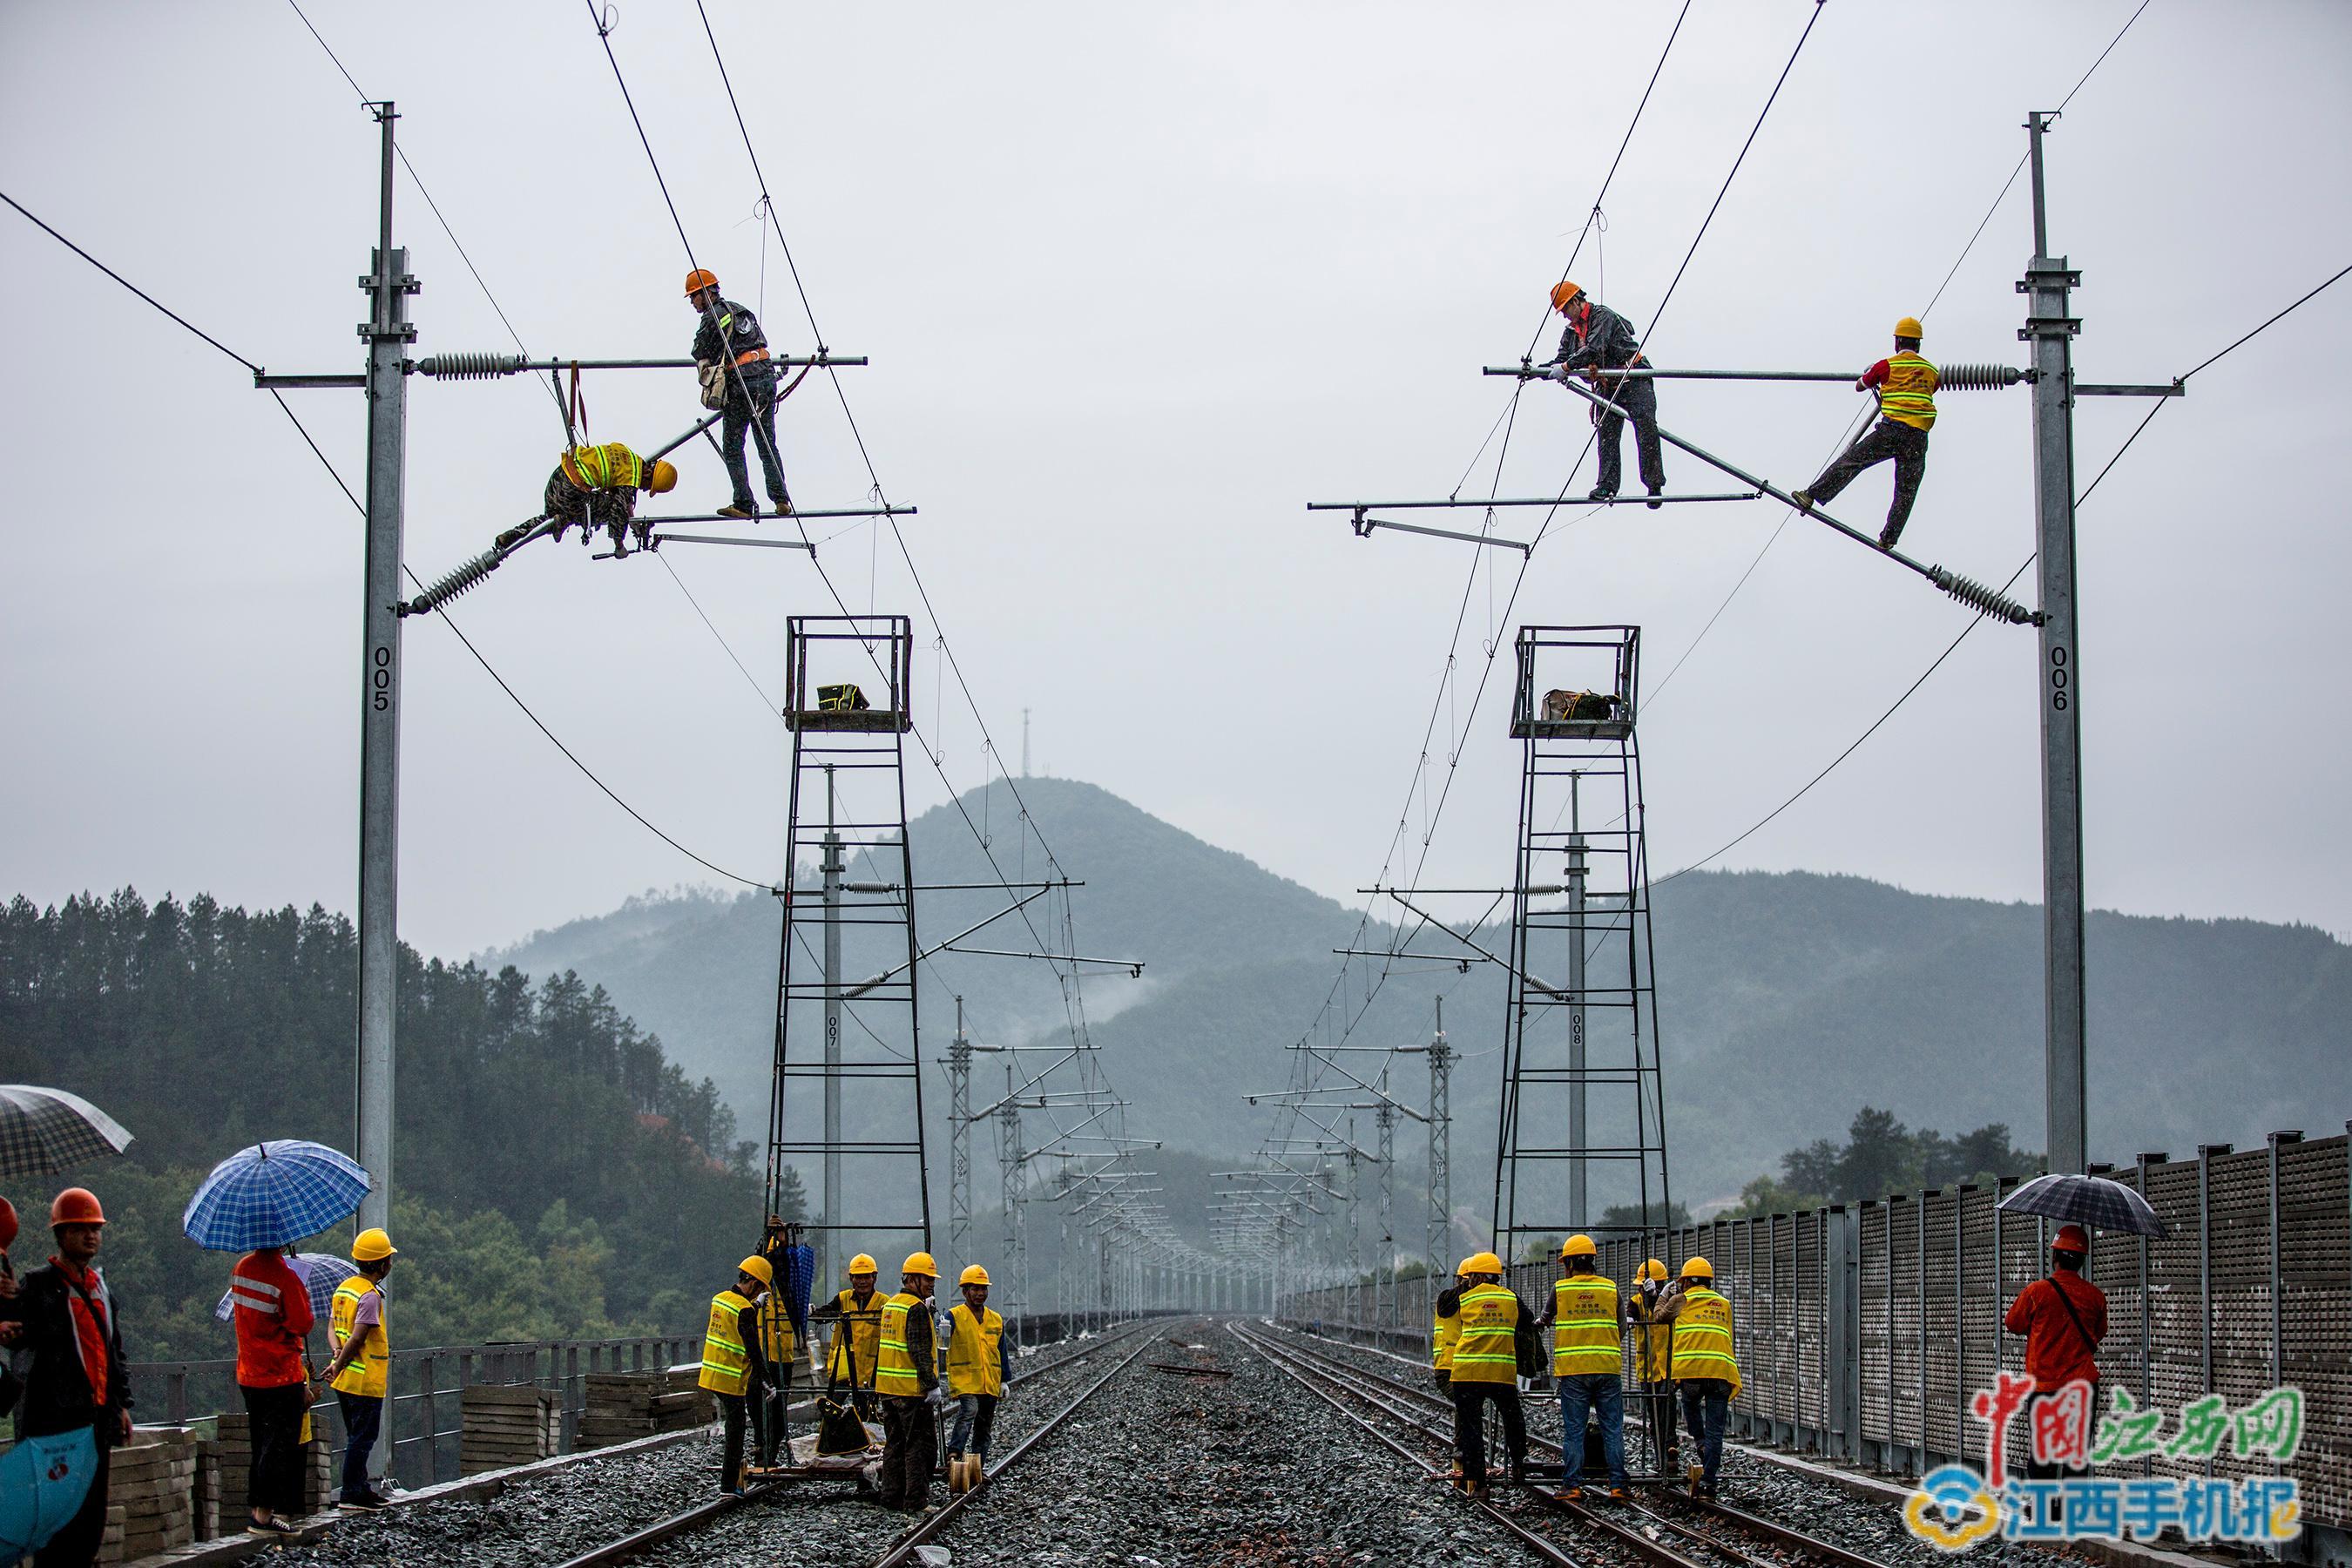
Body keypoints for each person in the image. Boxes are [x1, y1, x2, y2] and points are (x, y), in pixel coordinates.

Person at [3, 1189, 134, 1568]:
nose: (90, 1236)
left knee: (92, 1512)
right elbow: (18, 1337)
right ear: (61, 1236)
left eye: (95, 1229)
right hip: (55, 1424)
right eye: (80, 1229)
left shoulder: (100, 1288)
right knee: (58, 1518)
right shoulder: (38, 1286)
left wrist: (121, 1404)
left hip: (95, 1420)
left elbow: (114, 1353)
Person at [1792, 316, 1938, 551]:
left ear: (1897, 342)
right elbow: (1931, 387)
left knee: (1853, 461)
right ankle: (1889, 537)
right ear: (1918, 344)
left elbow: (1861, 385)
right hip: (1918, 437)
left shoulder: (1886, 366)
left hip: (1893, 430)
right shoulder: (1931, 371)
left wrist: (1869, 376)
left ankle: (1813, 494)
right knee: (1906, 490)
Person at [1544, 280, 1666, 507]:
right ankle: (1607, 486)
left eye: (1565, 310)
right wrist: (1540, 371)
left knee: (1645, 426)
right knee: (1607, 434)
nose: (1564, 316)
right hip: (1607, 384)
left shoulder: (1603, 316)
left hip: (1634, 378)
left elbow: (1595, 348)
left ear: (1576, 302)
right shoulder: (1571, 332)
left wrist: (1567, 368)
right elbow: (1561, 359)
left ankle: (1654, 484)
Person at [685, 268, 792, 519]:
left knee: (733, 446)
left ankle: (744, 503)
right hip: (765, 378)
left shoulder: (714, 316)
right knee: (766, 443)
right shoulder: (741, 310)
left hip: (742, 383)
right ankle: (781, 498)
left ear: (706, 293)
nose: (692, 303)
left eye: (693, 297)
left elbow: (700, 348)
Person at [2004, 1223, 2106, 1483]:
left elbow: (2013, 1324)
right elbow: (2099, 1332)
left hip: (2046, 1387)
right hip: (2083, 1386)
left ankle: (2044, 1514)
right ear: (2082, 1261)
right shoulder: (2095, 1296)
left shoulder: (2037, 1292)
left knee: (2043, 1456)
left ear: (2055, 1257)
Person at [228, 1241, 314, 1536]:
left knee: (261, 1442)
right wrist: (299, 1288)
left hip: (249, 1373)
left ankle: (258, 1511)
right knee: (279, 1446)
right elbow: (302, 1324)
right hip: (280, 1375)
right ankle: (264, 1516)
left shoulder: (242, 1268)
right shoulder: (284, 1276)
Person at [319, 1228, 399, 1511]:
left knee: (357, 1435)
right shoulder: (370, 1296)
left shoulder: (344, 1289)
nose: (390, 1263)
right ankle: (353, 1493)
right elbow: (359, 1336)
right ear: (380, 1264)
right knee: (363, 1437)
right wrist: (339, 1362)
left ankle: (361, 1486)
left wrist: (335, 1354)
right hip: (365, 1379)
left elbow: (332, 1327)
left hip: (346, 1380)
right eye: (388, 1259)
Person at [1547, 1234, 1629, 1500]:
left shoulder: (1561, 1289)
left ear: (1570, 1263)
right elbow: (1622, 1328)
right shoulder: (1610, 1288)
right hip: (1608, 1368)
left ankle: (1572, 1485)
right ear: (1592, 1261)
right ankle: (1618, 1486)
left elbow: (1544, 1319)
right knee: (1612, 1428)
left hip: (1573, 1371)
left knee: (1574, 1430)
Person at [1447, 1251, 1531, 1499]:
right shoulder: (1511, 1298)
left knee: (1472, 1429)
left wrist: (1463, 1286)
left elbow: (1443, 1306)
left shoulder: (1463, 1297)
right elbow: (1526, 1320)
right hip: (1501, 1373)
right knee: (1513, 1419)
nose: (1468, 1279)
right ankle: (1518, 1464)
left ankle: (1480, 1485)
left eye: (1471, 1275)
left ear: (1478, 1276)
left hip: (1468, 1373)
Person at [696, 1255, 773, 1496]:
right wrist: (767, 1381)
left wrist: (756, 1306)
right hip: (730, 1378)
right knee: (736, 1431)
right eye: (759, 1289)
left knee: (734, 1425)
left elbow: (738, 1319)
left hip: (711, 1373)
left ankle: (730, 1483)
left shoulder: (719, 1299)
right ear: (755, 1285)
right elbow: (753, 1349)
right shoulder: (744, 1309)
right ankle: (728, 1486)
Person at [873, 1252, 943, 1512]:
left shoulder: (891, 1305)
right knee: (919, 1447)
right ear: (912, 1279)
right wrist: (931, 1384)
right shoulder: (915, 1309)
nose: (930, 1285)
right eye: (927, 1280)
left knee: (894, 1446)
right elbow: (919, 1350)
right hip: (910, 1391)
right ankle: (916, 1501)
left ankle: (890, 1498)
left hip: (888, 1390)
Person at [1668, 1256, 1740, 1497]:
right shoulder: (1724, 1304)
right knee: (1716, 1430)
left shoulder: (1681, 1300)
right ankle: (1709, 1482)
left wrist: (1662, 1295)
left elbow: (1660, 1317)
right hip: (1721, 1372)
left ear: (1686, 1281)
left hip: (1692, 1371)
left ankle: (1699, 1441)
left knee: (1689, 1404)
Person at [540, 443, 678, 554]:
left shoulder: (628, 457)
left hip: (557, 484)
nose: (644, 489)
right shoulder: (631, 479)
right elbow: (618, 511)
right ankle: (563, 519)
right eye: (649, 486)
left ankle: (551, 522)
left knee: (603, 502)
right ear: (649, 474)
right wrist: (619, 546)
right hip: (569, 494)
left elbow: (624, 499)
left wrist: (634, 524)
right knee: (610, 509)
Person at [941, 1265, 1010, 1476]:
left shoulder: (996, 1319)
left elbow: (1002, 1351)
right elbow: (940, 1342)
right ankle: (954, 1453)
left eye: (983, 1289)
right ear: (964, 1291)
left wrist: (1004, 1380)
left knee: (984, 1426)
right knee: (969, 1411)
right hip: (966, 1381)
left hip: (989, 1381)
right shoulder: (953, 1316)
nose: (980, 1293)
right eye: (975, 1289)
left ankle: (976, 1469)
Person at [750, 1215, 801, 1470]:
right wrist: (767, 1235)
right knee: (755, 1401)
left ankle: (770, 1448)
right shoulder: (760, 1286)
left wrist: (782, 1241)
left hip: (781, 1354)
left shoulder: (789, 1284)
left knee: (777, 1404)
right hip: (759, 1352)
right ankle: (762, 1445)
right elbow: (758, 1260)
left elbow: (785, 1264)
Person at [811, 1253, 886, 1417]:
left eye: (866, 1277)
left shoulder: (884, 1304)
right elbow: (824, 1314)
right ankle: (831, 1440)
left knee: (866, 1415)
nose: (862, 1282)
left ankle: (866, 1442)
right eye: (858, 1277)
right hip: (843, 1369)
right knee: (831, 1410)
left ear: (874, 1278)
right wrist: (813, 1312)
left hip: (869, 1373)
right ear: (851, 1279)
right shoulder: (842, 1298)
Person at [1626, 1257, 1680, 1477]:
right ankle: (1662, 1458)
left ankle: (1669, 1452)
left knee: (1666, 1413)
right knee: (1653, 1415)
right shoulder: (1636, 1302)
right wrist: (1629, 1319)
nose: (1640, 1289)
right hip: (1647, 1370)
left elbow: (1669, 1315)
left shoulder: (1671, 1301)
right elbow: (1630, 1313)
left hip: (1667, 1368)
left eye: (1644, 1285)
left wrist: (1656, 1297)